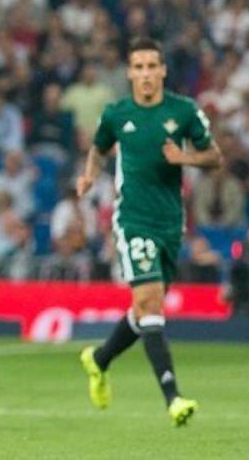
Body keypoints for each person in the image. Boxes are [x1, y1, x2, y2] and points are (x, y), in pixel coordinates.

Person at [77, 37, 222, 427]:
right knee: (151, 303)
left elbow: (214, 156)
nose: (144, 74)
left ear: (162, 71)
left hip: (171, 224)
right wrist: (90, 176)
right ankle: (173, 398)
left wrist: (185, 158)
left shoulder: (184, 111)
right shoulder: (116, 113)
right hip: (133, 220)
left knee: (145, 309)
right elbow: (99, 147)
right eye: (137, 67)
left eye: (150, 67)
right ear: (129, 73)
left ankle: (100, 358)